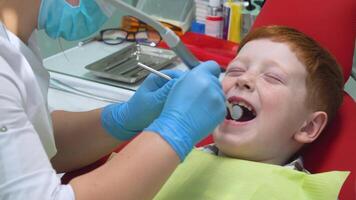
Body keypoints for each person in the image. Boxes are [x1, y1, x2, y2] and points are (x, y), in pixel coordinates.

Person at [0, 0, 227, 200]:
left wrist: (124, 118)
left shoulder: (16, 38)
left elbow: (34, 143)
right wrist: (175, 130)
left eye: (265, 74)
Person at [152, 25, 346, 199]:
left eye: (272, 77)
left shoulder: (292, 193)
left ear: (308, 126)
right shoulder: (177, 154)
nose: (243, 79)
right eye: (235, 70)